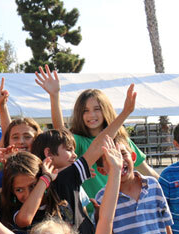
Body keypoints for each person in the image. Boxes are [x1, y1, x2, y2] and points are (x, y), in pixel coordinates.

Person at [35, 65, 158, 206]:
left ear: (106, 110)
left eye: (97, 109)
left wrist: (170, 187)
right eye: (85, 110)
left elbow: (148, 172)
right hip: (93, 211)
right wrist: (54, 96)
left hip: (124, 209)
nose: (91, 115)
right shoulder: (78, 142)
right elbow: (60, 133)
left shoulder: (122, 142)